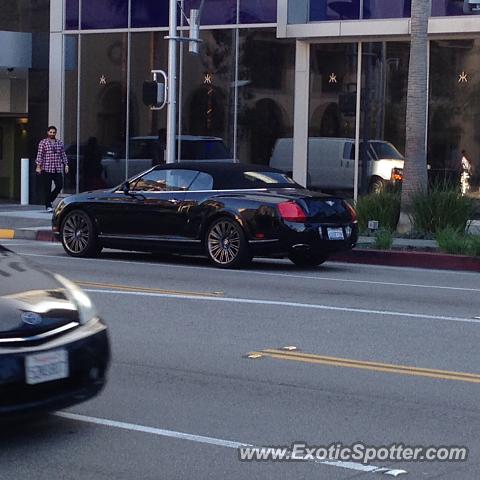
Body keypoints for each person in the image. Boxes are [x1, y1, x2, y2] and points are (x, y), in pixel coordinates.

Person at [35, 126, 69, 212]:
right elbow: (40, 155)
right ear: (48, 132)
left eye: (54, 132)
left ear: (55, 133)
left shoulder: (59, 143)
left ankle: (49, 199)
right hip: (47, 168)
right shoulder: (43, 142)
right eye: (51, 132)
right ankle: (48, 205)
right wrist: (38, 166)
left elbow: (63, 154)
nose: (52, 134)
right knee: (47, 187)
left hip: (57, 168)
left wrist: (66, 164)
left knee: (59, 185)